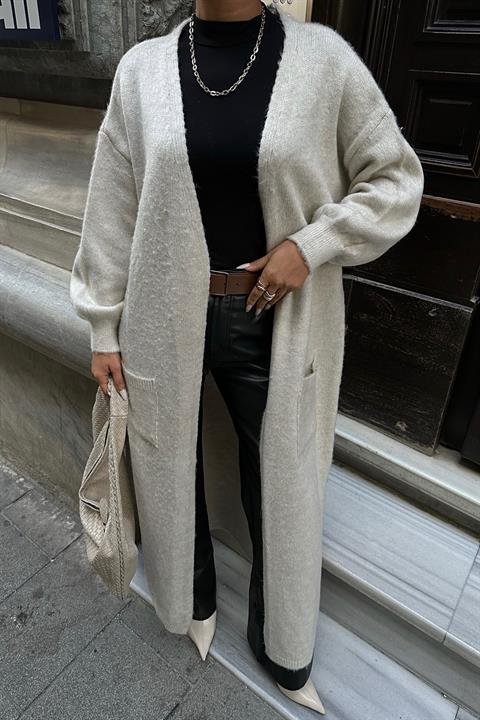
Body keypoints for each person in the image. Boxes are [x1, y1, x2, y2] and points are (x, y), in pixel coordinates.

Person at [70, 0, 424, 714]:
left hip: (273, 318)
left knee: (283, 483)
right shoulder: (141, 71)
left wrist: (311, 246)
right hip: (162, 314)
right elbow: (112, 208)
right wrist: (103, 329)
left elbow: (394, 179)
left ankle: (284, 645)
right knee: (169, 465)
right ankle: (191, 601)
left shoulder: (323, 61)